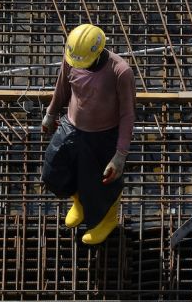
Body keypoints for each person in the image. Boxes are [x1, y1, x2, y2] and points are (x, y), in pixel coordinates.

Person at [41, 24, 136, 245]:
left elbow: (128, 114)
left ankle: (106, 220)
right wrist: (50, 113)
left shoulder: (120, 71)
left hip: (104, 135)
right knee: (53, 170)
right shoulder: (74, 57)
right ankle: (80, 202)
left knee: (99, 184)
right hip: (72, 126)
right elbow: (63, 85)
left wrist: (120, 154)